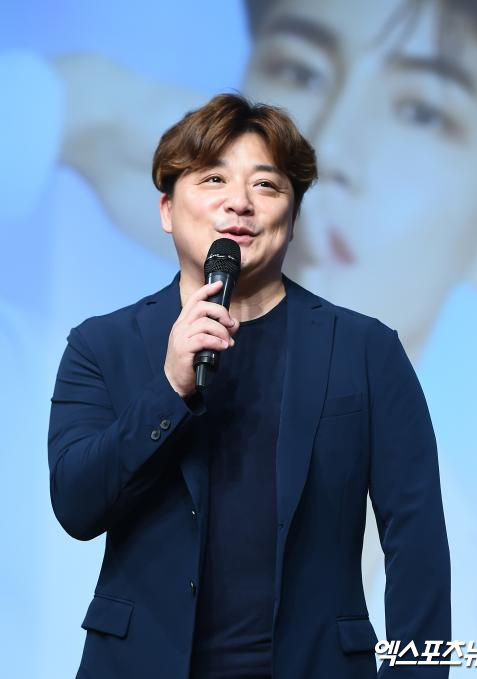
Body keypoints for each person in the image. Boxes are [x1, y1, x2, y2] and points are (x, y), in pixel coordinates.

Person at [48, 93, 451, 679]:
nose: (239, 202)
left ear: (293, 216)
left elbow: (417, 540)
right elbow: (76, 506)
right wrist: (169, 389)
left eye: (266, 185)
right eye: (213, 178)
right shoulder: (101, 345)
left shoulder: (366, 350)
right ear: (167, 209)